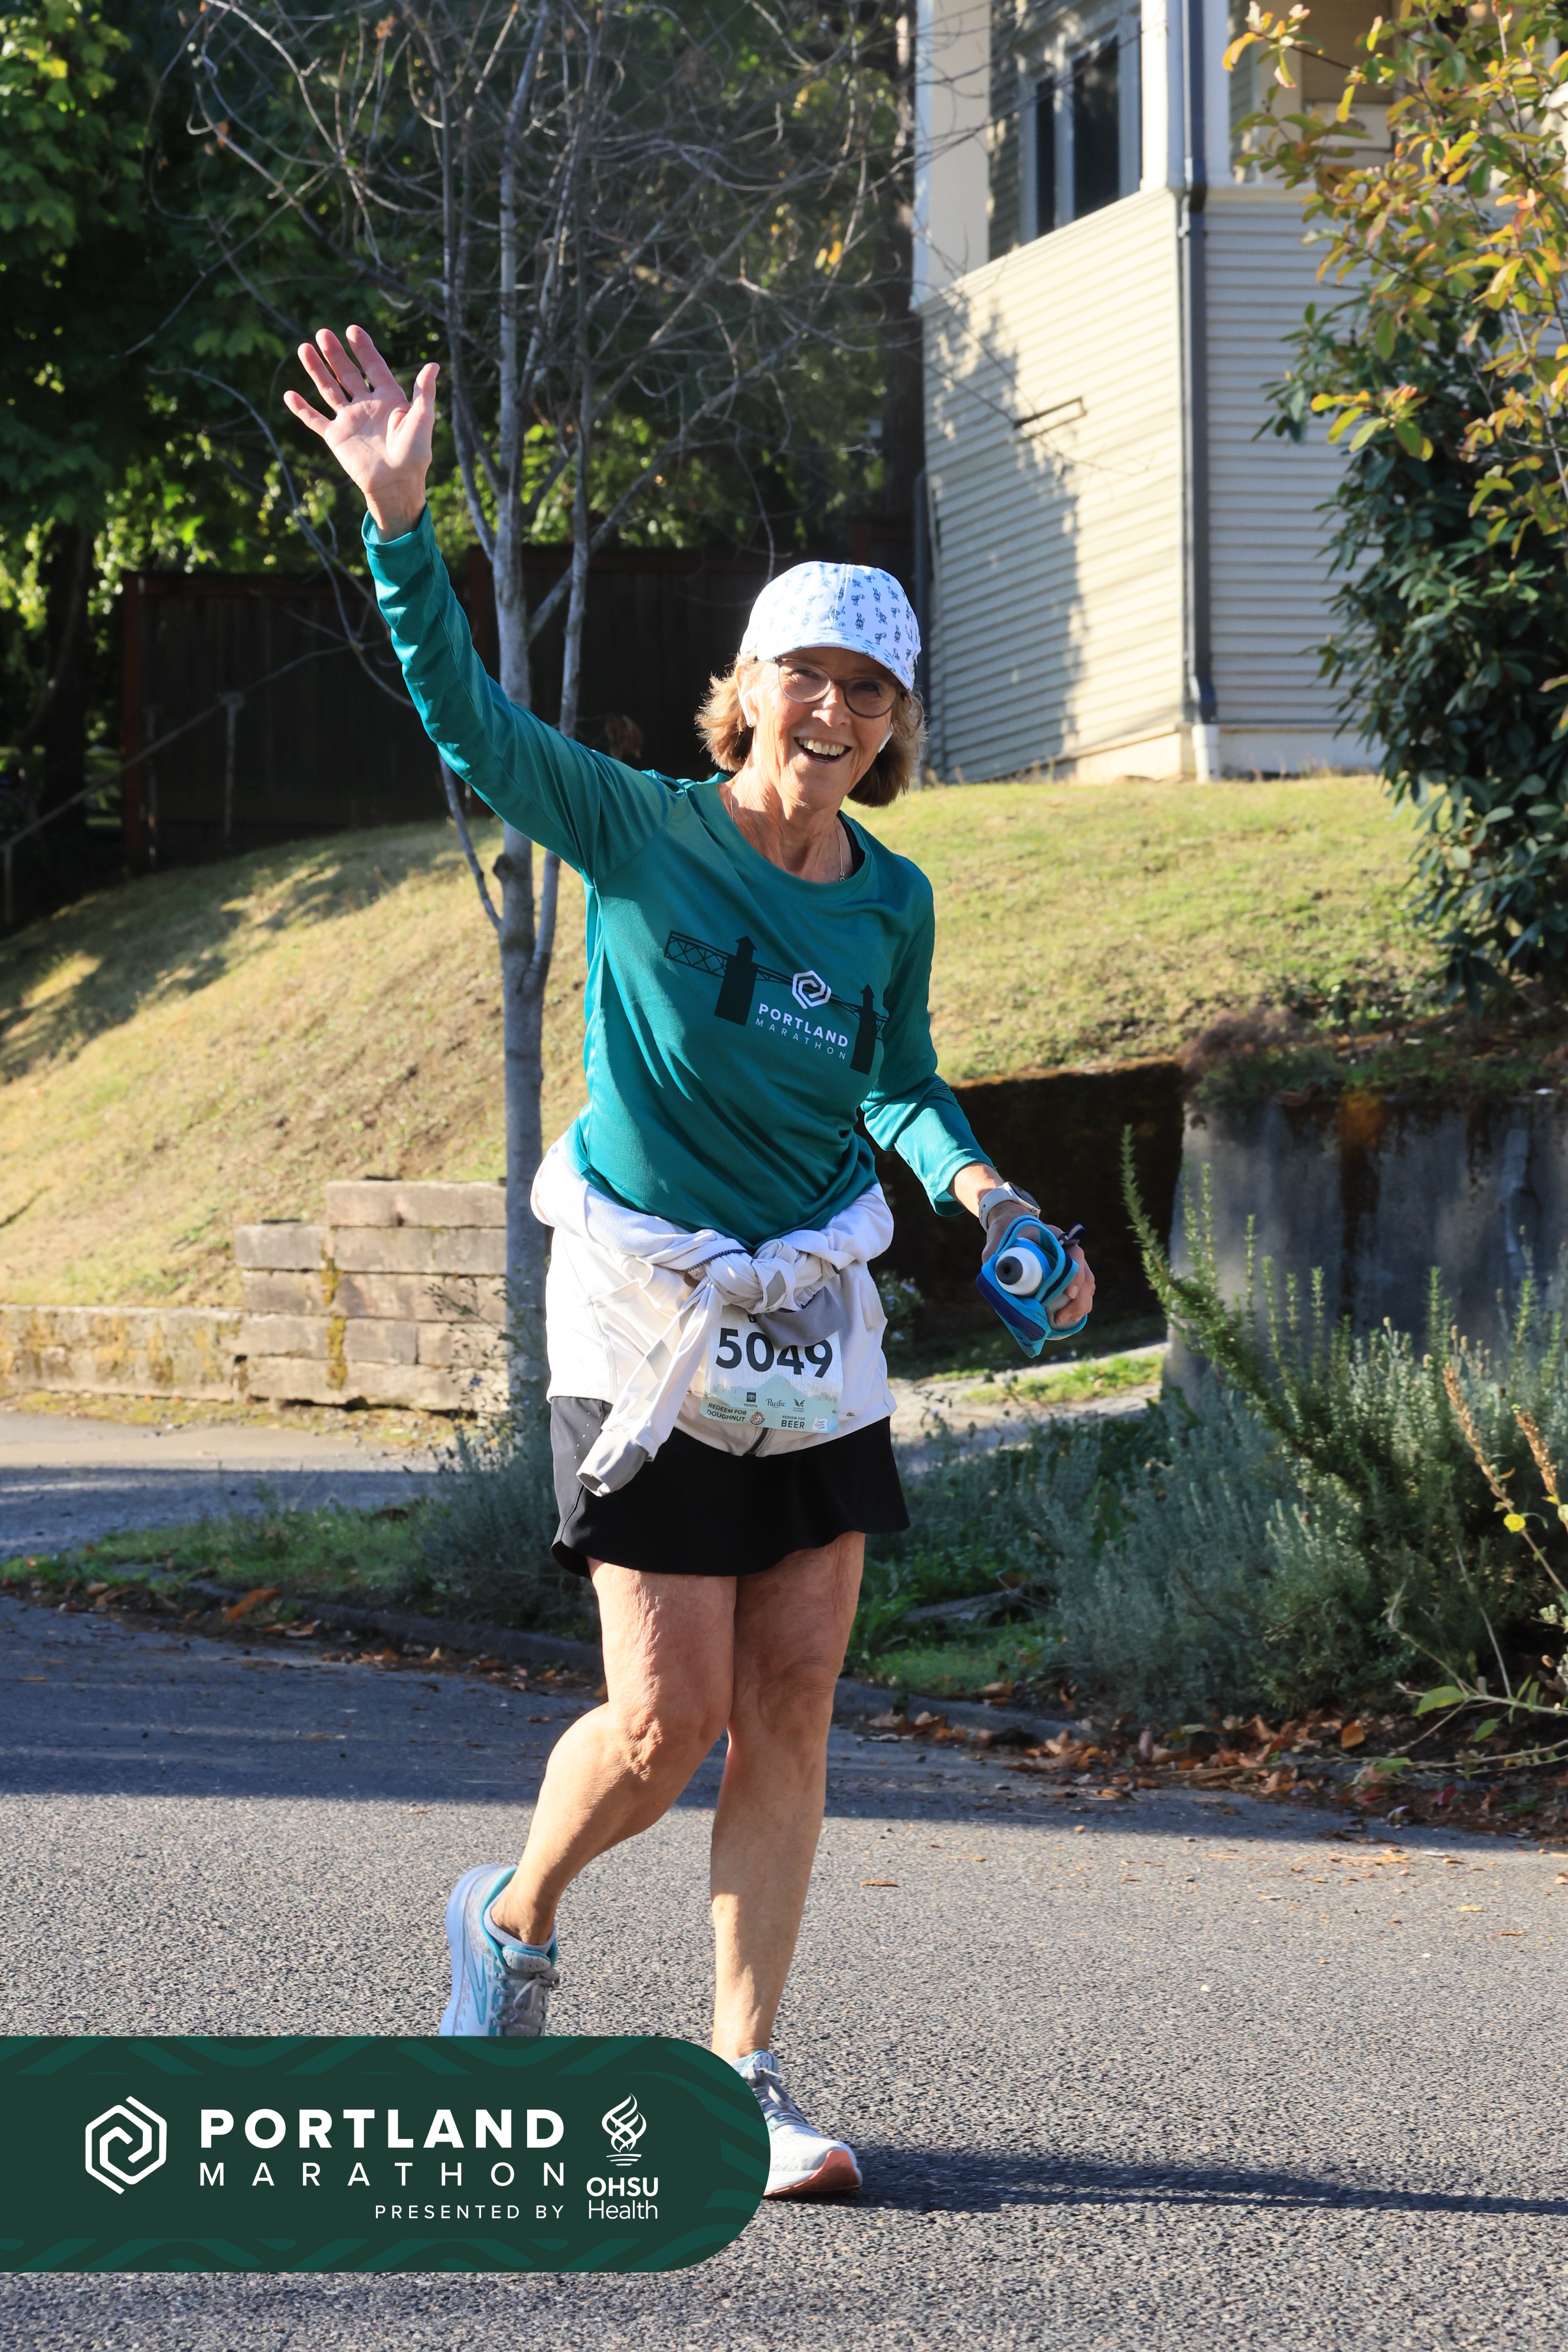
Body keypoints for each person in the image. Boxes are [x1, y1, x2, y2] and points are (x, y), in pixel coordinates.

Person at [285, 325, 1095, 2199]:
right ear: (747, 688)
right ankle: (513, 1918)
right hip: (643, 1300)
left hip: (807, 1305)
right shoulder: (642, 833)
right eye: (809, 675)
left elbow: (899, 1084)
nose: (837, 712)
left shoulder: (891, 901)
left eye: (871, 690)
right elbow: (470, 723)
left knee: (793, 1700)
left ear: (895, 725)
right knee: (667, 1725)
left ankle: (744, 2075)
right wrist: (401, 527)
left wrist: (984, 1199)